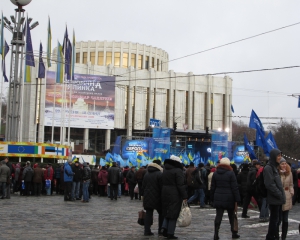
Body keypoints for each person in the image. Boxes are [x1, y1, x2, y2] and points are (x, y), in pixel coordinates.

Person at [211, 157, 241, 239]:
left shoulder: (216, 173)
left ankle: (216, 234)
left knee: (218, 216)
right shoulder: (231, 173)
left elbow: (212, 187)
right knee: (231, 216)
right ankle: (234, 232)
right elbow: (235, 187)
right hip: (229, 197)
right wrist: (237, 199)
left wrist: (211, 198)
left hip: (218, 196)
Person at [161, 155, 187, 239]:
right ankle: (170, 233)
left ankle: (164, 227)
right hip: (174, 194)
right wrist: (184, 196)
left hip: (165, 192)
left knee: (167, 211)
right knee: (173, 213)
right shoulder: (178, 171)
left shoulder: (165, 170)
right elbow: (180, 184)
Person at [264, 148, 286, 240]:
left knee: (277, 220)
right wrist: (279, 194)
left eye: (280, 156)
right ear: (274, 156)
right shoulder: (268, 168)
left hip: (278, 198)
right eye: (278, 156)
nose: (280, 158)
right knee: (274, 220)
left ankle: (274, 236)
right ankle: (270, 237)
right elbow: (270, 184)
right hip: (274, 198)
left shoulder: (274, 167)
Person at [142, 161, 163, 236]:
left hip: (148, 196)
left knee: (148, 214)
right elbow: (161, 187)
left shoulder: (147, 174)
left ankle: (147, 230)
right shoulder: (159, 174)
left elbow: (143, 186)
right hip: (158, 196)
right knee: (161, 214)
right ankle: (160, 230)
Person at [278, 158, 293, 240]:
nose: (284, 165)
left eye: (285, 163)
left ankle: (284, 236)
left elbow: (291, 184)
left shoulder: (289, 173)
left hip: (287, 196)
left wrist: (291, 192)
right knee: (278, 218)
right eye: (282, 164)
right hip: (279, 196)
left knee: (285, 218)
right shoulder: (277, 173)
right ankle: (276, 235)